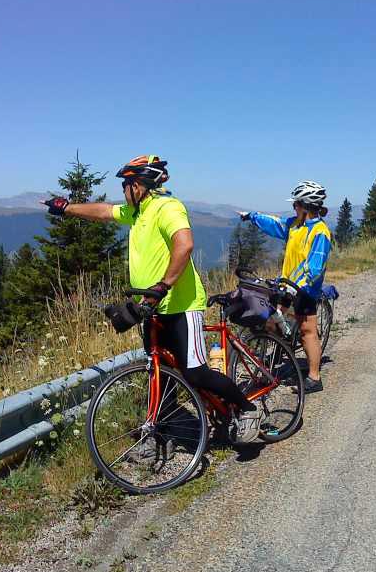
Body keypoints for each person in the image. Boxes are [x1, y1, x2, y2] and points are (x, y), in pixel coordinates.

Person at [44, 155, 260, 441]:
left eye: (126, 184)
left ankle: (246, 408)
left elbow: (185, 245)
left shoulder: (167, 207)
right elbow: (105, 211)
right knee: (161, 371)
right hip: (151, 307)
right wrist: (66, 208)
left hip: (181, 306)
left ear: (139, 185)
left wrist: (163, 285)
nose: (122, 190)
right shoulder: (137, 211)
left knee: (194, 373)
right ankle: (164, 434)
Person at [239, 180, 332, 393]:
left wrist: (297, 286)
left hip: (305, 290)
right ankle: (281, 353)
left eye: (296, 204)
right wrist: (251, 216)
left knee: (307, 331)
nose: (294, 208)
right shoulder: (295, 225)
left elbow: (315, 267)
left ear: (305, 206)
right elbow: (275, 224)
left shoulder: (320, 232)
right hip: (286, 285)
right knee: (272, 322)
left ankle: (314, 377)